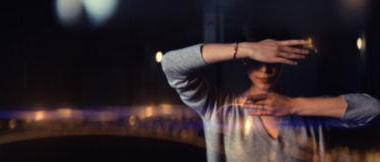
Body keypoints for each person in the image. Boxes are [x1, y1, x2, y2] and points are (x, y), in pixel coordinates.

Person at [161, 39, 380, 162]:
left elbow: (373, 109)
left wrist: (295, 105)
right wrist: (245, 48)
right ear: (245, 61)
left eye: (273, 60)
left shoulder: (307, 113)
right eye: (257, 60)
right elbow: (171, 65)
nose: (265, 68)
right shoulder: (221, 110)